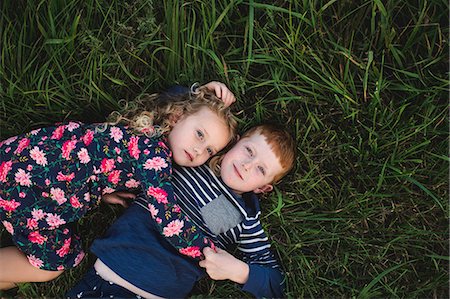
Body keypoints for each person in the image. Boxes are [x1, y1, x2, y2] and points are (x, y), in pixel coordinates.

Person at [0, 82, 237, 290]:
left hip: (19, 156)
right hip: (27, 195)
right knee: (53, 265)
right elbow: (168, 219)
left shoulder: (144, 126)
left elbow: (94, 161)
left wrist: (101, 189)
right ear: (176, 117)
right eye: (199, 134)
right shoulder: (155, 157)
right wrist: (209, 252)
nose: (199, 150)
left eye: (209, 150)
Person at [67, 122, 296, 298]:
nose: (247, 165)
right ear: (234, 143)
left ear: (263, 188)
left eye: (260, 169)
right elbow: (179, 115)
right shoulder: (190, 161)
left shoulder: (244, 219)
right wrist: (205, 92)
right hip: (100, 276)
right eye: (248, 151)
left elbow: (277, 284)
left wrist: (238, 270)